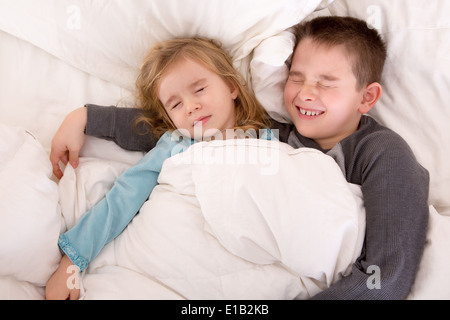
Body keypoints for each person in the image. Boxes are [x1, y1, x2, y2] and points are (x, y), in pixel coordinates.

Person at [49, 16, 430, 299]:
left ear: (367, 97)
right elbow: (178, 131)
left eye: (326, 83)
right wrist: (86, 117)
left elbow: (387, 275)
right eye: (296, 78)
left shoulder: (384, 154)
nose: (305, 94)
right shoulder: (273, 134)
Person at [45, 37, 274, 300]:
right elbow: (124, 196)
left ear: (232, 86)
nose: (190, 106)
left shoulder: (271, 141)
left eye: (199, 90)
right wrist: (73, 260)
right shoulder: (176, 144)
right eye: (175, 104)